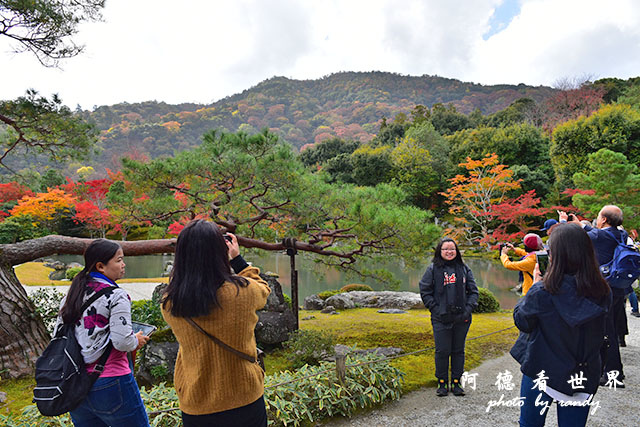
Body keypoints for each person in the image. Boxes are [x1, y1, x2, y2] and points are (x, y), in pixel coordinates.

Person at [161, 220, 270, 427]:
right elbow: (263, 289)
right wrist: (237, 259)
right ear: (220, 252)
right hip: (244, 396)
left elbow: (191, 285)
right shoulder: (242, 292)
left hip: (197, 402)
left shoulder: (170, 303)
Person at [511, 223, 611, 427]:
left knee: (530, 424)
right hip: (583, 370)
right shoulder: (602, 291)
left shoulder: (543, 291)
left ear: (555, 255)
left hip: (541, 367)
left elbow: (523, 322)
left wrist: (535, 286)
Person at [54, 239, 150, 427]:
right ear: (101, 266)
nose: (123, 265)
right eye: (119, 260)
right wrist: (136, 340)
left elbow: (59, 335)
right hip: (111, 381)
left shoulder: (72, 293)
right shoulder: (116, 295)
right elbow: (122, 342)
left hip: (75, 383)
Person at [561, 206, 628, 386]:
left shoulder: (599, 236)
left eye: (598, 216)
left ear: (604, 220)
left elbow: (580, 235)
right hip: (619, 288)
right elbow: (589, 230)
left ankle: (613, 373)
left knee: (606, 332)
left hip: (604, 290)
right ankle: (612, 371)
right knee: (611, 329)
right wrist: (578, 223)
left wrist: (565, 222)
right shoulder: (621, 234)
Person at [419, 238, 479, 397]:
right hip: (440, 317)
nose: (449, 252)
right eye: (445, 249)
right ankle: (442, 382)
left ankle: (457, 382)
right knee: (442, 350)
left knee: (458, 350)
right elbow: (425, 291)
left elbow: (473, 291)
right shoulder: (433, 269)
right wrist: (436, 309)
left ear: (457, 251)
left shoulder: (464, 268)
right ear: (440, 251)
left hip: (462, 317)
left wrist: (468, 309)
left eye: (452, 249)